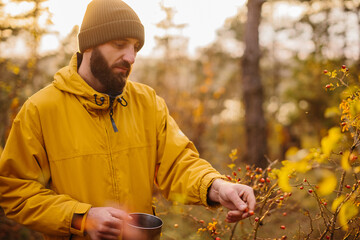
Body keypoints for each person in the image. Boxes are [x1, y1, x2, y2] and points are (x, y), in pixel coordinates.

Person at [0, 0, 256, 239]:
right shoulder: (40, 110)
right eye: (120, 44)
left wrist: (217, 186)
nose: (131, 57)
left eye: (135, 47)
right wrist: (81, 217)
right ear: (89, 44)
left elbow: (178, 164)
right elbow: (16, 191)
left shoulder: (147, 102)